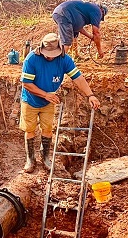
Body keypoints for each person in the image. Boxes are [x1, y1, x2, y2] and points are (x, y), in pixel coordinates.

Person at [20, 33, 101, 172]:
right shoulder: (31, 59)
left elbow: (78, 78)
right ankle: (30, 159)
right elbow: (26, 83)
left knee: (47, 129)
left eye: (53, 54)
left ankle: (45, 157)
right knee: (30, 130)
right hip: (31, 101)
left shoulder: (64, 59)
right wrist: (45, 94)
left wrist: (90, 95)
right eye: (47, 54)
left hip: (48, 102)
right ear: (41, 49)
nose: (50, 56)